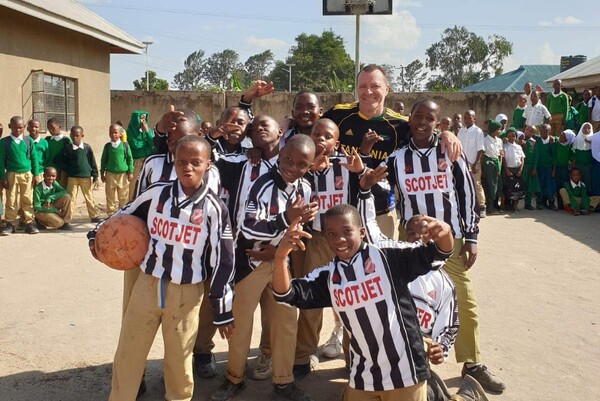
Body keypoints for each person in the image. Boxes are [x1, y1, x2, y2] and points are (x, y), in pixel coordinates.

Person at [88, 135, 235, 401]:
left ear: (208, 165)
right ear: (174, 162)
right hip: (149, 283)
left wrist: (222, 308)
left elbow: (223, 260)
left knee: (179, 359)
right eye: (181, 162)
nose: (187, 168)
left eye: (195, 162)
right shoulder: (157, 193)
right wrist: (96, 236)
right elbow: (125, 213)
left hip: (186, 292)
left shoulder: (214, 208)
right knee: (128, 352)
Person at [273, 206, 454, 401]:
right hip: (364, 373)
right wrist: (281, 256)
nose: (339, 239)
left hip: (405, 370)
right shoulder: (328, 276)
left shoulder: (388, 257)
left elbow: (439, 253)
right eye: (331, 234)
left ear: (361, 232)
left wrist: (445, 233)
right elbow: (285, 294)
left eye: (346, 231)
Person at [386, 100, 506, 394]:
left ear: (439, 123)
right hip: (413, 242)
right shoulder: (397, 158)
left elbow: (466, 194)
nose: (423, 122)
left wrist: (472, 237)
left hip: (451, 240)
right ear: (410, 119)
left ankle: (472, 363)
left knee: (464, 301)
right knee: (411, 303)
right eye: (418, 116)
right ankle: (414, 359)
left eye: (430, 118)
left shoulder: (450, 151)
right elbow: (383, 190)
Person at [210, 134, 318, 401]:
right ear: (280, 155)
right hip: (251, 262)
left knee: (285, 322)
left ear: (310, 166)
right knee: (241, 324)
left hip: (279, 261)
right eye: (288, 159)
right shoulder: (262, 184)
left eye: (301, 164)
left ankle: (283, 381)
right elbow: (247, 226)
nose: (292, 167)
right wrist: (285, 218)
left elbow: (297, 228)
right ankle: (234, 378)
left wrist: (282, 247)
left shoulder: (305, 188)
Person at [323, 64, 460, 238]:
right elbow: (307, 126)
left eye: (375, 86)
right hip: (343, 210)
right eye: (363, 87)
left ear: (387, 89)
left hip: (381, 212)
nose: (368, 92)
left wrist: (445, 134)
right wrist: (287, 123)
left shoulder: (401, 125)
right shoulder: (338, 115)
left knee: (383, 263)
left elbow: (425, 132)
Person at [293, 118, 377, 377]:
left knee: (353, 300)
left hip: (347, 243)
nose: (320, 139)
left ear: (336, 143)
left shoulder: (347, 165)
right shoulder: (301, 166)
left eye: (327, 136)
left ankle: (355, 357)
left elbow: (367, 185)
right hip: (318, 239)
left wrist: (361, 172)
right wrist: (308, 172)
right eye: (316, 134)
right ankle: (303, 355)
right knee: (312, 299)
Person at [0, 116, 41, 235]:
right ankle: (10, 223)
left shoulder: (28, 141)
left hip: (27, 174)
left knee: (27, 199)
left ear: (24, 127)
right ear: (9, 126)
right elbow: (1, 161)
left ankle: (29, 222)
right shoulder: (4, 142)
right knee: (11, 199)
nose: (17, 130)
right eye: (14, 127)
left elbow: (34, 158)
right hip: (12, 174)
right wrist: (3, 177)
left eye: (20, 127)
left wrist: (36, 174)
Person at [457, 110, 486, 217]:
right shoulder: (461, 131)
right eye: (465, 118)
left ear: (474, 119)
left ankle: (482, 206)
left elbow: (481, 149)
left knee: (476, 184)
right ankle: (466, 207)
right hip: (462, 162)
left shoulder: (478, 131)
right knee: (463, 185)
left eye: (469, 118)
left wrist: (476, 164)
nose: (467, 120)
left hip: (474, 163)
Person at [100, 124, 134, 216]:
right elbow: (103, 160)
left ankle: (122, 213)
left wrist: (130, 172)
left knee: (123, 196)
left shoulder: (125, 145)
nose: (113, 135)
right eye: (111, 133)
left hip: (123, 175)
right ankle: (111, 214)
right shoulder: (107, 146)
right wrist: (102, 172)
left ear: (120, 134)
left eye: (115, 133)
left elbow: (130, 159)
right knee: (110, 196)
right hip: (110, 174)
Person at [126, 110, 154, 200]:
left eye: (144, 118)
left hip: (147, 160)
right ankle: (131, 203)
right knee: (134, 184)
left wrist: (147, 132)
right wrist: (146, 144)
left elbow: (152, 143)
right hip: (137, 161)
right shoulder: (130, 131)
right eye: (141, 118)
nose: (143, 121)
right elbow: (136, 145)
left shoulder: (147, 130)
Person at [482, 120, 504, 214]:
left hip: (497, 164)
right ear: (493, 130)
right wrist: (482, 169)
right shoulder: (485, 140)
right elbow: (482, 155)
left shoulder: (499, 141)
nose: (499, 131)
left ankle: (495, 204)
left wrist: (500, 166)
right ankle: (490, 208)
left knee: (498, 185)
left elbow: (500, 155)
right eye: (498, 129)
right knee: (491, 186)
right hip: (488, 164)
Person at [502, 128, 526, 212]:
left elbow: (522, 159)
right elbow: (503, 159)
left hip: (517, 169)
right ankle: (503, 205)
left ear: (516, 137)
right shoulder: (504, 146)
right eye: (509, 136)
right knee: (506, 187)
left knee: (516, 189)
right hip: (507, 169)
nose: (511, 138)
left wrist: (520, 170)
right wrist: (507, 170)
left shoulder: (518, 147)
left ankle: (515, 206)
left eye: (513, 136)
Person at [45, 118, 71, 189]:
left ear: (59, 127)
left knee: (61, 190)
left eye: (52, 128)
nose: (50, 130)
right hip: (49, 170)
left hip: (61, 171)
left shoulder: (66, 141)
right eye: (48, 128)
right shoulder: (47, 140)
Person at [536, 124, 558, 210]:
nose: (543, 133)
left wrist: (554, 169)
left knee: (550, 186)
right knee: (540, 185)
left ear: (549, 132)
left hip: (549, 168)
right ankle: (540, 202)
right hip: (540, 167)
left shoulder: (552, 142)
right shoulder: (537, 141)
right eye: (541, 132)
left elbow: (554, 157)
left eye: (545, 132)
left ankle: (551, 203)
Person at [521, 125, 542, 210]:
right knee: (520, 184)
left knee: (529, 186)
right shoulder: (519, 140)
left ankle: (528, 203)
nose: (528, 132)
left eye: (531, 131)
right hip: (521, 166)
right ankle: (514, 203)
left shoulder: (534, 142)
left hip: (530, 166)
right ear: (524, 129)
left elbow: (536, 156)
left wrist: (534, 168)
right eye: (527, 130)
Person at [553, 129, 575, 206]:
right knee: (558, 186)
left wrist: (571, 165)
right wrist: (554, 170)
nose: (560, 138)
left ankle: (565, 203)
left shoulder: (569, 146)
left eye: (563, 137)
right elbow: (555, 157)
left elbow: (572, 157)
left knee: (565, 186)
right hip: (557, 168)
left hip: (565, 169)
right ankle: (559, 204)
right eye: (561, 136)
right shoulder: (556, 144)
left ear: (567, 139)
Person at [572, 122, 593, 189]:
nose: (587, 130)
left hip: (589, 166)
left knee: (588, 181)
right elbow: (573, 152)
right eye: (585, 128)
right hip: (578, 165)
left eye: (589, 128)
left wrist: (591, 143)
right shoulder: (577, 139)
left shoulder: (593, 139)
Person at [28, 119, 47, 184]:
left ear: (40, 129)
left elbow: (47, 157)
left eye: (36, 127)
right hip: (27, 171)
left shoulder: (44, 142)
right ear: (27, 128)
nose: (33, 129)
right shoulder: (24, 141)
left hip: (40, 172)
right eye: (31, 126)